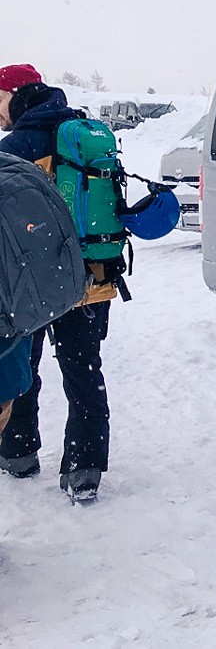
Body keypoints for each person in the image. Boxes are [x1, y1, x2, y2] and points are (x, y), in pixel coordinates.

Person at [0, 64, 117, 503]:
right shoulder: (82, 131)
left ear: (15, 93)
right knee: (84, 371)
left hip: (30, 285)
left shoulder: (17, 146)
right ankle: (84, 469)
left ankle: (18, 452)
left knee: (19, 369)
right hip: (90, 278)